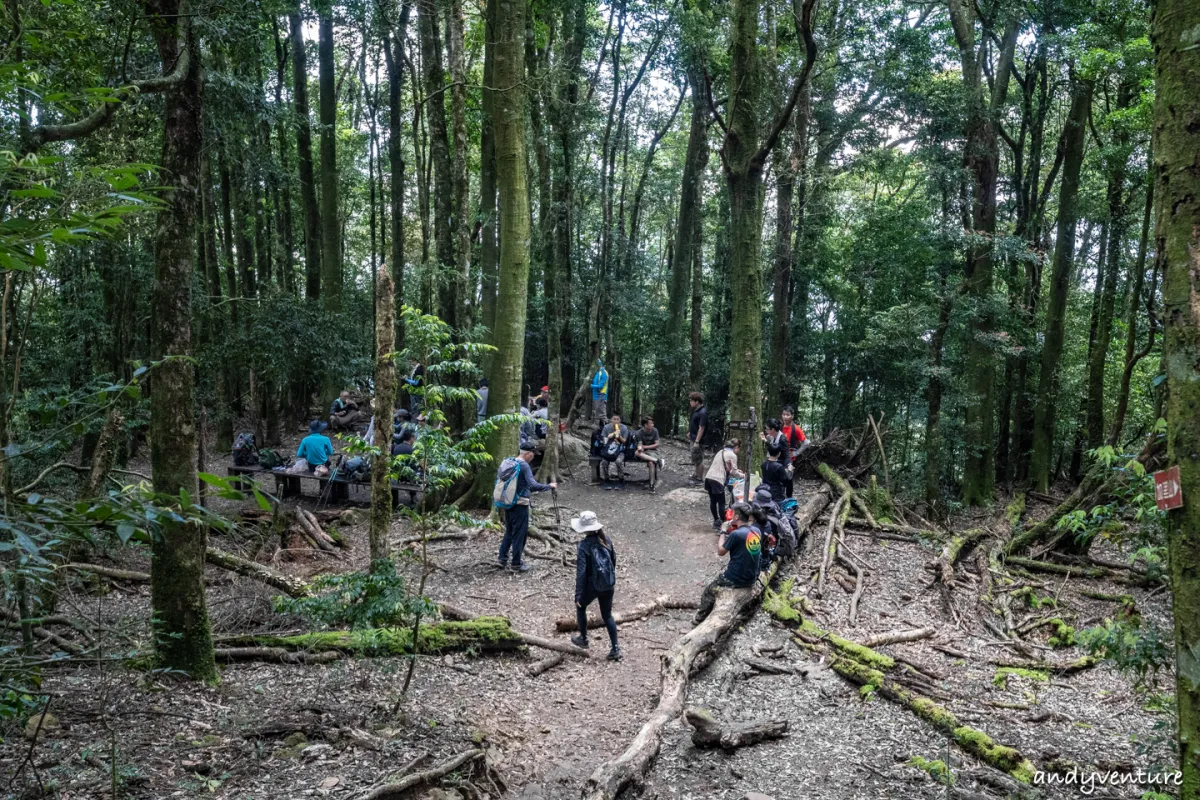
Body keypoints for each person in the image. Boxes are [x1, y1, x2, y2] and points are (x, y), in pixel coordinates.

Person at [694, 502, 762, 625]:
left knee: (709, 590)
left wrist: (723, 531)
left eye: (733, 514)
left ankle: (699, 618)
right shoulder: (756, 531)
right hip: (753, 577)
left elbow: (721, 551)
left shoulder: (736, 534)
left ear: (736, 517)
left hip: (736, 578)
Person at [496, 442, 557, 572]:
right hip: (520, 504)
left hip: (507, 502)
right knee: (520, 534)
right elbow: (533, 485)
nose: (534, 457)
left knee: (509, 531)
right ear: (527, 453)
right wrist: (549, 486)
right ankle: (516, 563)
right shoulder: (523, 466)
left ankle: (502, 558)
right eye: (533, 454)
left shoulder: (509, 462)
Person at [570, 510, 622, 661]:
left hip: (593, 586)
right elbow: (613, 561)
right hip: (608, 584)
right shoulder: (606, 540)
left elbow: (581, 573)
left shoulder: (584, 546)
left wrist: (578, 595)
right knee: (607, 616)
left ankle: (584, 639)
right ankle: (615, 648)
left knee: (580, 606)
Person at [704, 438, 744, 530]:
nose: (738, 451)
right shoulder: (733, 455)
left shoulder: (721, 451)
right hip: (718, 480)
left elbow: (724, 467)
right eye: (739, 449)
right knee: (721, 503)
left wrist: (737, 471)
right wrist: (743, 476)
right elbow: (734, 473)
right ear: (736, 447)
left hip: (709, 477)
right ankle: (724, 523)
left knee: (713, 501)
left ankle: (716, 521)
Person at [780, 406, 809, 498]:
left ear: (792, 416)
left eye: (787, 415)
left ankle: (789, 498)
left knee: (788, 478)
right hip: (779, 456)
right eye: (783, 414)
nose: (785, 417)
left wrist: (796, 453)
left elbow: (807, 442)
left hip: (790, 458)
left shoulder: (796, 428)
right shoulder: (779, 427)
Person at [633, 416, 664, 491]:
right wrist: (640, 447)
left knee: (651, 463)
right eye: (651, 423)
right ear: (645, 425)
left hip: (653, 451)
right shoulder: (639, 433)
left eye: (653, 423)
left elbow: (657, 444)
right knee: (637, 453)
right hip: (643, 453)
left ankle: (651, 485)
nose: (652, 425)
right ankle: (657, 461)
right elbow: (640, 445)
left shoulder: (655, 431)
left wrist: (645, 447)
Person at [600, 413, 630, 487]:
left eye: (618, 419)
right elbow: (604, 441)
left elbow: (624, 441)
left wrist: (619, 436)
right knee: (604, 462)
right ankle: (606, 479)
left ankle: (621, 479)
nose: (616, 421)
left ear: (620, 420)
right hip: (608, 449)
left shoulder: (624, 428)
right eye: (614, 419)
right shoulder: (606, 428)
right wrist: (612, 435)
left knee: (618, 461)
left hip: (620, 450)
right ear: (611, 420)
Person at [687, 392, 708, 483]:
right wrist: (690, 432)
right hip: (694, 437)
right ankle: (696, 475)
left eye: (692, 401)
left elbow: (702, 427)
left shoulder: (703, 412)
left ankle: (699, 479)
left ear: (697, 402)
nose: (690, 402)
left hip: (699, 440)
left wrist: (697, 441)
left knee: (699, 459)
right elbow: (696, 425)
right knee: (695, 458)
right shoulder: (697, 411)